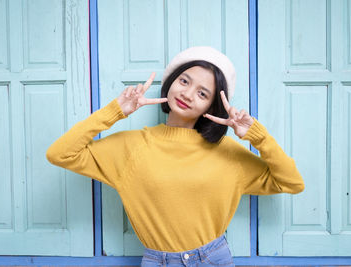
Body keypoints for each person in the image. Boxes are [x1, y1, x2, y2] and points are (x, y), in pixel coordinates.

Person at [46, 46, 305, 266]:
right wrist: (116, 111)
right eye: (184, 81)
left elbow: (291, 182)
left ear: (210, 106)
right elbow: (60, 154)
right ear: (170, 84)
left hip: (213, 258)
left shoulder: (228, 153)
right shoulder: (131, 147)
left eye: (203, 93)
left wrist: (258, 136)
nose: (188, 94)